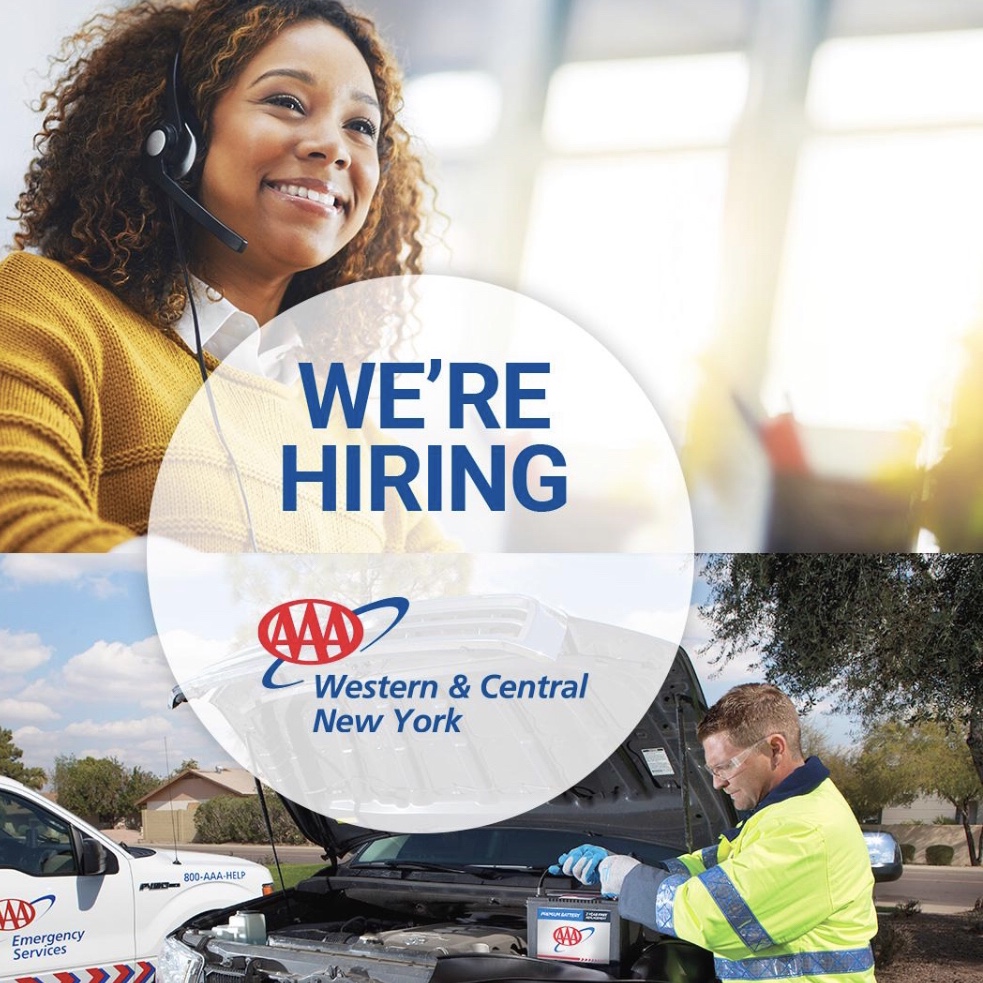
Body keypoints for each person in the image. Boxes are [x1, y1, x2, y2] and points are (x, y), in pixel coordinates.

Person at [0, 0, 434, 552]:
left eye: (360, 126)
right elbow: (20, 539)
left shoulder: (358, 441)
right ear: (175, 136)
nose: (332, 147)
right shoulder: (43, 308)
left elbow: (460, 599)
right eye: (286, 102)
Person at [553, 683, 878, 983]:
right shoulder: (779, 815)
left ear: (775, 749)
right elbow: (716, 865)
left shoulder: (807, 829)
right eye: (712, 770)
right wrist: (636, 867)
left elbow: (715, 914)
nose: (717, 783)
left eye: (725, 766)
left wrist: (630, 880)